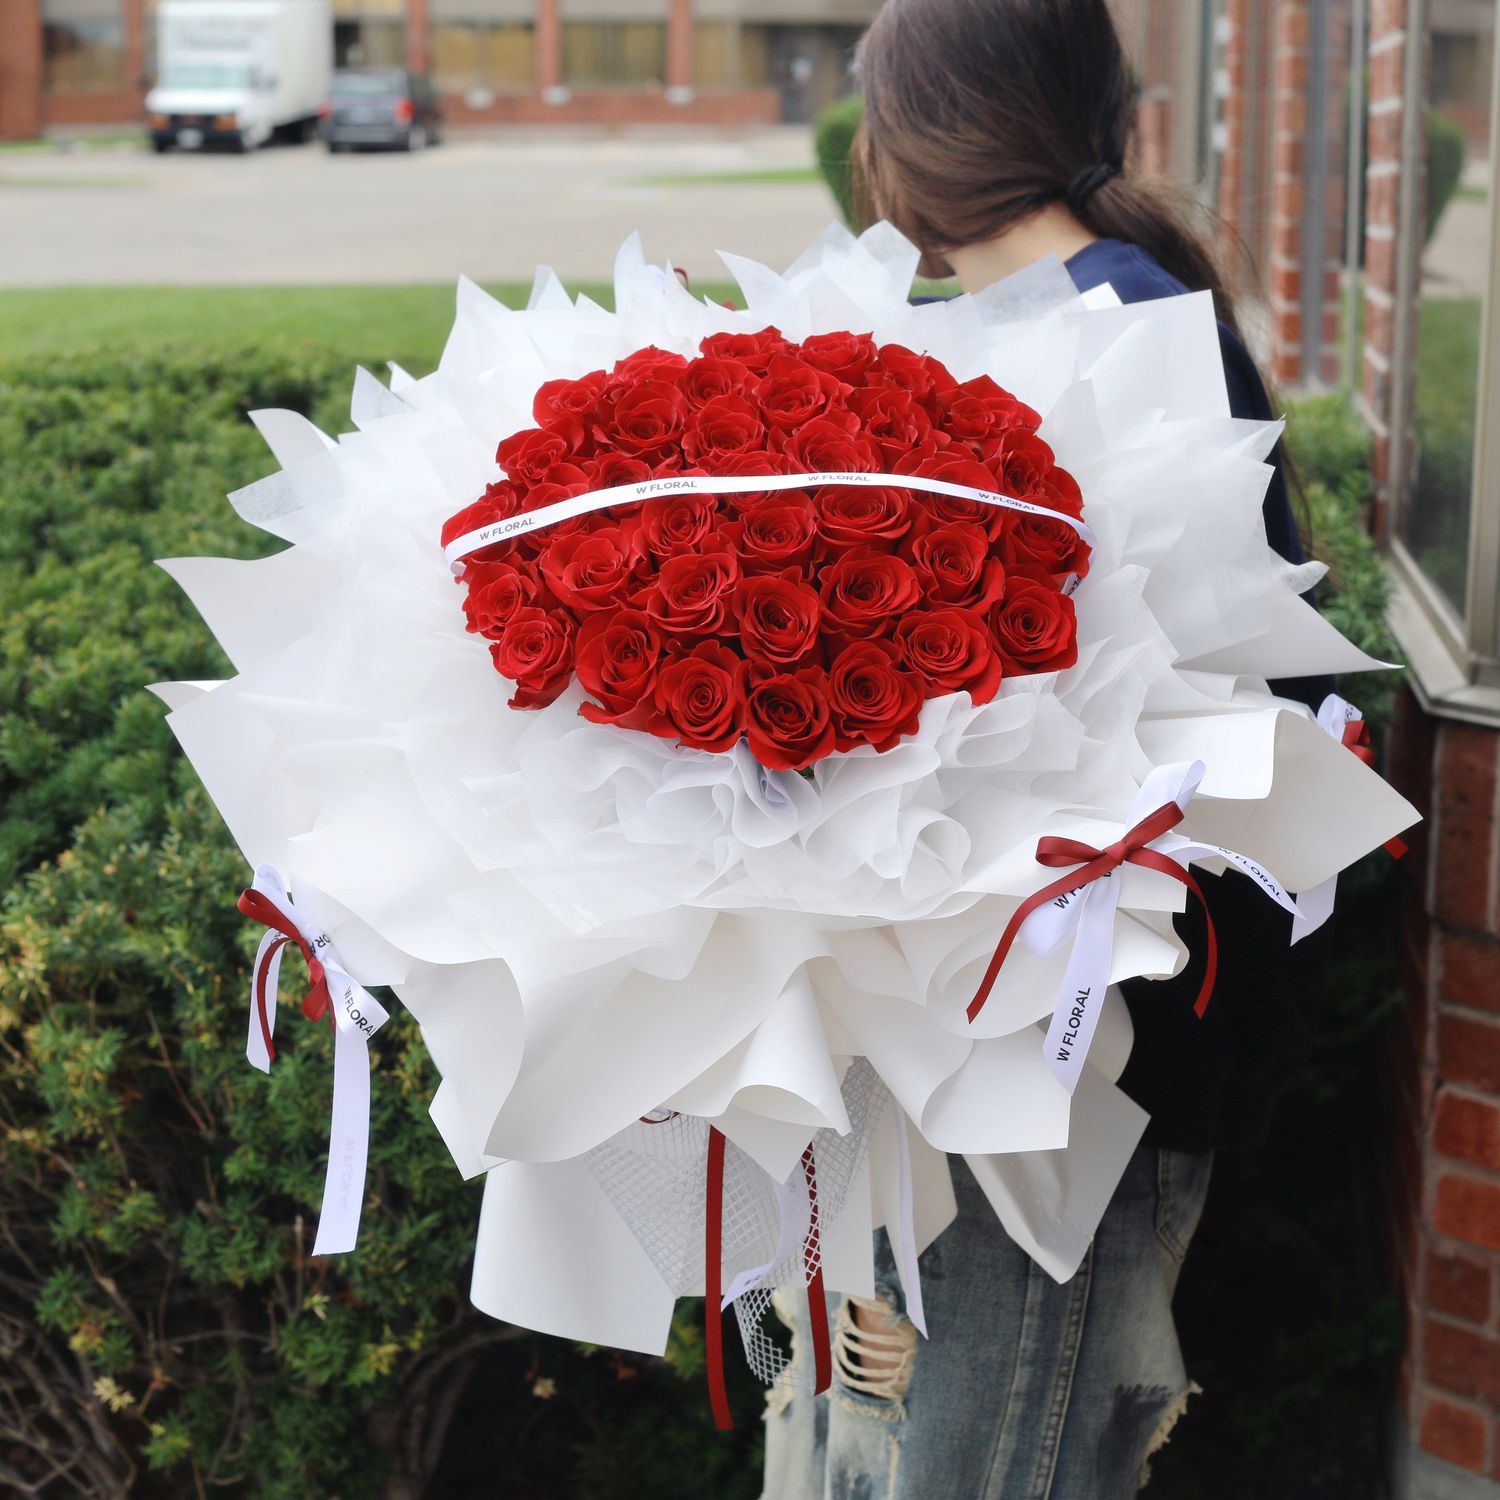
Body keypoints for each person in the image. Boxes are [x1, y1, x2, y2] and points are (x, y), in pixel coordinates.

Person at [761, 2, 1333, 1495]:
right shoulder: (1018, 333)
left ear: (902, 144)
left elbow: (1184, 754)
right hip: (969, 1051)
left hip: (1057, 1075)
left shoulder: (1130, 345)